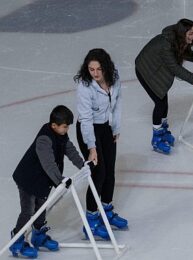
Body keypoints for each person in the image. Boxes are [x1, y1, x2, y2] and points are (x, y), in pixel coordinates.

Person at [10, 105, 85, 258]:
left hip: (43, 180)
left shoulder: (61, 134)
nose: (67, 130)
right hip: (28, 179)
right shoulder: (44, 139)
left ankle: (38, 235)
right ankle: (17, 240)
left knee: (41, 207)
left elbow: (69, 149)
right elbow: (48, 163)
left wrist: (82, 165)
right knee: (28, 211)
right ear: (54, 125)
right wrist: (60, 180)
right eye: (65, 127)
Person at [135, 18, 193, 154]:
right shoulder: (166, 45)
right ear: (182, 32)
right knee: (160, 103)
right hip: (146, 70)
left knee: (163, 101)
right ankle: (156, 139)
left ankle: (163, 130)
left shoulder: (177, 40)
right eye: (190, 33)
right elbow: (176, 68)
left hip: (157, 67)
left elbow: (190, 55)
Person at [75, 48, 127, 240]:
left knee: (110, 172)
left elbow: (118, 101)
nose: (95, 73)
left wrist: (116, 127)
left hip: (106, 127)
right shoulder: (84, 86)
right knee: (99, 173)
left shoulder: (114, 76)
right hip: (89, 131)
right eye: (91, 69)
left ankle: (106, 209)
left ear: (106, 67)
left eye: (98, 69)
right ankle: (90, 220)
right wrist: (91, 147)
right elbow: (86, 119)